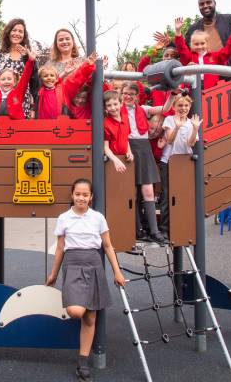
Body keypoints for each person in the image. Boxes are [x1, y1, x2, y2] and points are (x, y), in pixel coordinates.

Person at [46, 179, 126, 382]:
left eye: (85, 195)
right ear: (72, 195)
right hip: (72, 265)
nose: (81, 198)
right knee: (76, 311)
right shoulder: (64, 218)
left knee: (90, 318)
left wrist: (117, 272)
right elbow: (60, 248)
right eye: (77, 194)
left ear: (91, 197)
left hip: (94, 264)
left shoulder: (98, 218)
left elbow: (107, 246)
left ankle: (82, 364)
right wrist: (53, 274)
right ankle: (82, 361)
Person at [121, 82, 167, 243]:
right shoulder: (116, 110)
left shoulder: (143, 109)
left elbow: (164, 109)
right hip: (127, 148)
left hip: (144, 148)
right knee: (131, 192)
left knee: (148, 191)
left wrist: (174, 95)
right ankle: (137, 229)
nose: (128, 96)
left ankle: (154, 231)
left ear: (136, 96)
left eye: (131, 94)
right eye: (125, 93)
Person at [158, 94, 202, 235]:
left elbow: (191, 143)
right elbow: (170, 140)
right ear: (174, 106)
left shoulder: (191, 123)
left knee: (183, 194)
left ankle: (182, 225)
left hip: (184, 163)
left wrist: (195, 128)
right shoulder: (170, 120)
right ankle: (165, 228)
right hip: (169, 161)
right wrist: (177, 127)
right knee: (167, 194)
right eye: (180, 105)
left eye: (186, 106)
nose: (183, 108)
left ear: (189, 107)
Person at [158, 16, 231, 89]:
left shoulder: (215, 56)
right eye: (196, 44)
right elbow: (181, 48)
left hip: (210, 91)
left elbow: (228, 51)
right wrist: (178, 31)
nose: (200, 46)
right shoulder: (189, 56)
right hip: (193, 90)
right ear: (191, 45)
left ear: (207, 44)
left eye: (202, 43)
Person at [0, 18, 37, 117]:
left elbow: (34, 81)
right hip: (1, 104)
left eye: (20, 31)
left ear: (24, 35)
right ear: (8, 32)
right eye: (14, 30)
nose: (17, 33)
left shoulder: (29, 55)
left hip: (22, 102)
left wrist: (34, 107)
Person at [36, 53, 98, 120]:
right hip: (43, 126)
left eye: (52, 76)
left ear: (56, 78)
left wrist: (87, 65)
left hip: (61, 126)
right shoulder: (40, 91)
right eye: (45, 76)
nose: (49, 78)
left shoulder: (63, 89)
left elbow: (75, 79)